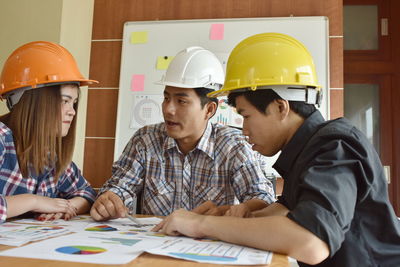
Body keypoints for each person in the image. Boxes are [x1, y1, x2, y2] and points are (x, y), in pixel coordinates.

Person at [153, 33, 400, 266]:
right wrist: (229, 216)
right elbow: (285, 212)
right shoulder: (307, 150)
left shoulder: (335, 146)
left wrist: (200, 224)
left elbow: (310, 241)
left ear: (281, 107)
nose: (244, 129)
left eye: (246, 116)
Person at [90, 46, 275, 221]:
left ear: (209, 109)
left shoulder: (233, 146)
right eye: (166, 98)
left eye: (181, 101)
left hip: (209, 248)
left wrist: (224, 212)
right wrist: (110, 200)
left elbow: (262, 200)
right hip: (155, 245)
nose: (169, 109)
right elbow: (119, 188)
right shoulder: (145, 140)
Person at [0, 41, 98, 223]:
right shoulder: (2, 138)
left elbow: (86, 193)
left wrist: (64, 208)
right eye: (64, 101)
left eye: (74, 103)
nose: (72, 111)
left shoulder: (50, 153)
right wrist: (33, 201)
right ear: (33, 102)